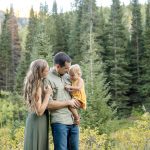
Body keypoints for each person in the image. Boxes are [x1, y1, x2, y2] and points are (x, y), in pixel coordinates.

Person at [45, 52, 81, 150]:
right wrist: (68, 102)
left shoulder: (68, 76)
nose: (68, 70)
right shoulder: (47, 79)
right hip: (59, 122)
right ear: (57, 66)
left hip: (74, 121)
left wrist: (79, 102)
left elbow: (79, 87)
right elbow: (48, 104)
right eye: (66, 68)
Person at [23, 59, 52, 150]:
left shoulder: (34, 82)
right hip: (38, 121)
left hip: (35, 120)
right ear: (40, 72)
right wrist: (47, 94)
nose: (48, 71)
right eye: (46, 70)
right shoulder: (37, 85)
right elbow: (39, 111)